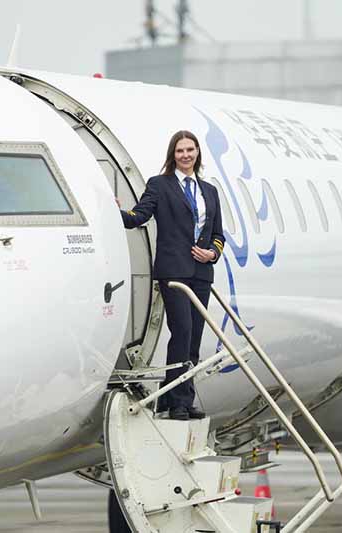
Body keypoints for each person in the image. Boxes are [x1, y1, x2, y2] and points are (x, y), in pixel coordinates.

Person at [121, 130, 225, 420]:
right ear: (172, 155)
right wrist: (113, 211)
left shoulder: (210, 191)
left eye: (190, 150)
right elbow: (138, 216)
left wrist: (212, 253)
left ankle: (177, 397)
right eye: (180, 151)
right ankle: (178, 401)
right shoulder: (160, 185)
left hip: (201, 272)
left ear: (197, 154)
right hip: (174, 271)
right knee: (182, 331)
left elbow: (218, 234)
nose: (186, 155)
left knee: (194, 338)